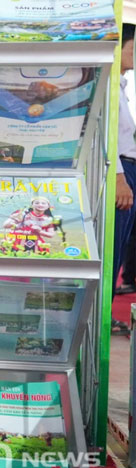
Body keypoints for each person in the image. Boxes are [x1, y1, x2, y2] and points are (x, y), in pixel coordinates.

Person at [113, 22, 136, 332]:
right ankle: (102, 315)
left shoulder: (121, 86)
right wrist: (120, 177)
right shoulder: (108, 87)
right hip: (120, 168)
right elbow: (111, 137)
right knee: (115, 244)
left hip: (128, 167)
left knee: (122, 243)